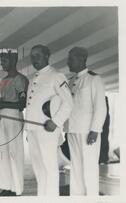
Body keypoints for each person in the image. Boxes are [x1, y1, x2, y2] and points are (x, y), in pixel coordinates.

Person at [26, 44, 73, 196]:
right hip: (33, 129)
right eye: (32, 57)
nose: (34, 59)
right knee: (39, 169)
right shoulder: (35, 77)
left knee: (49, 168)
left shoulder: (56, 75)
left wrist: (57, 122)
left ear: (47, 56)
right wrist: (29, 129)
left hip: (48, 129)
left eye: (38, 56)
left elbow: (68, 102)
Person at [64, 47, 107, 195]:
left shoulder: (94, 79)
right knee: (75, 167)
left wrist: (95, 130)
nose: (68, 62)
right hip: (72, 129)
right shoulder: (70, 82)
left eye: (71, 59)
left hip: (88, 131)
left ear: (81, 59)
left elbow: (101, 107)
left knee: (89, 168)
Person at [0, 48, 29, 196]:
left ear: (13, 61)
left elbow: (22, 104)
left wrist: (3, 104)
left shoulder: (21, 79)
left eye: (4, 61)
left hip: (13, 118)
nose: (2, 64)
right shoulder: (3, 80)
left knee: (13, 153)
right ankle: (6, 186)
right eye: (1, 61)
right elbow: (5, 100)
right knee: (2, 154)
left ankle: (16, 188)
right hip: (2, 118)